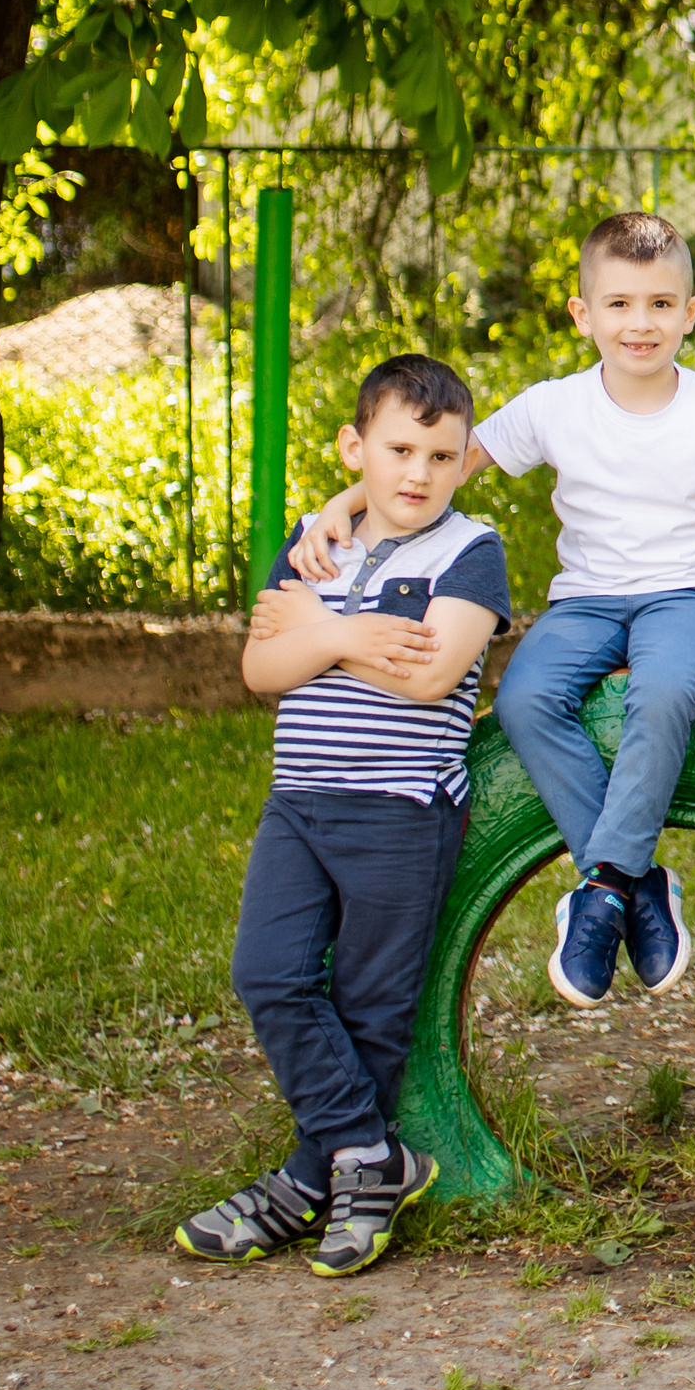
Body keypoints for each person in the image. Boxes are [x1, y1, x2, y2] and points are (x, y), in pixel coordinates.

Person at [290, 213, 695, 1013]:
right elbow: (439, 466)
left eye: (658, 304)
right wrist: (346, 496)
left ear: (691, 312)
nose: (639, 323)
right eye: (618, 304)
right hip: (587, 600)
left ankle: (600, 887)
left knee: (664, 694)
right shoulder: (552, 407)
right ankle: (634, 881)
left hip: (693, 596)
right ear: (583, 314)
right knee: (526, 700)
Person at [177, 355, 512, 1277]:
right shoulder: (315, 542)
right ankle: (370, 1159)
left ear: (460, 462)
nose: (418, 474)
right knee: (270, 974)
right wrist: (344, 635)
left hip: (400, 809)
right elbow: (260, 671)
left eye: (442, 457)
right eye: (400, 449)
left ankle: (304, 1182)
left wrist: (316, 636)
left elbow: (435, 674)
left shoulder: (469, 551)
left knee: (370, 1003)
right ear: (353, 448)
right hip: (299, 804)